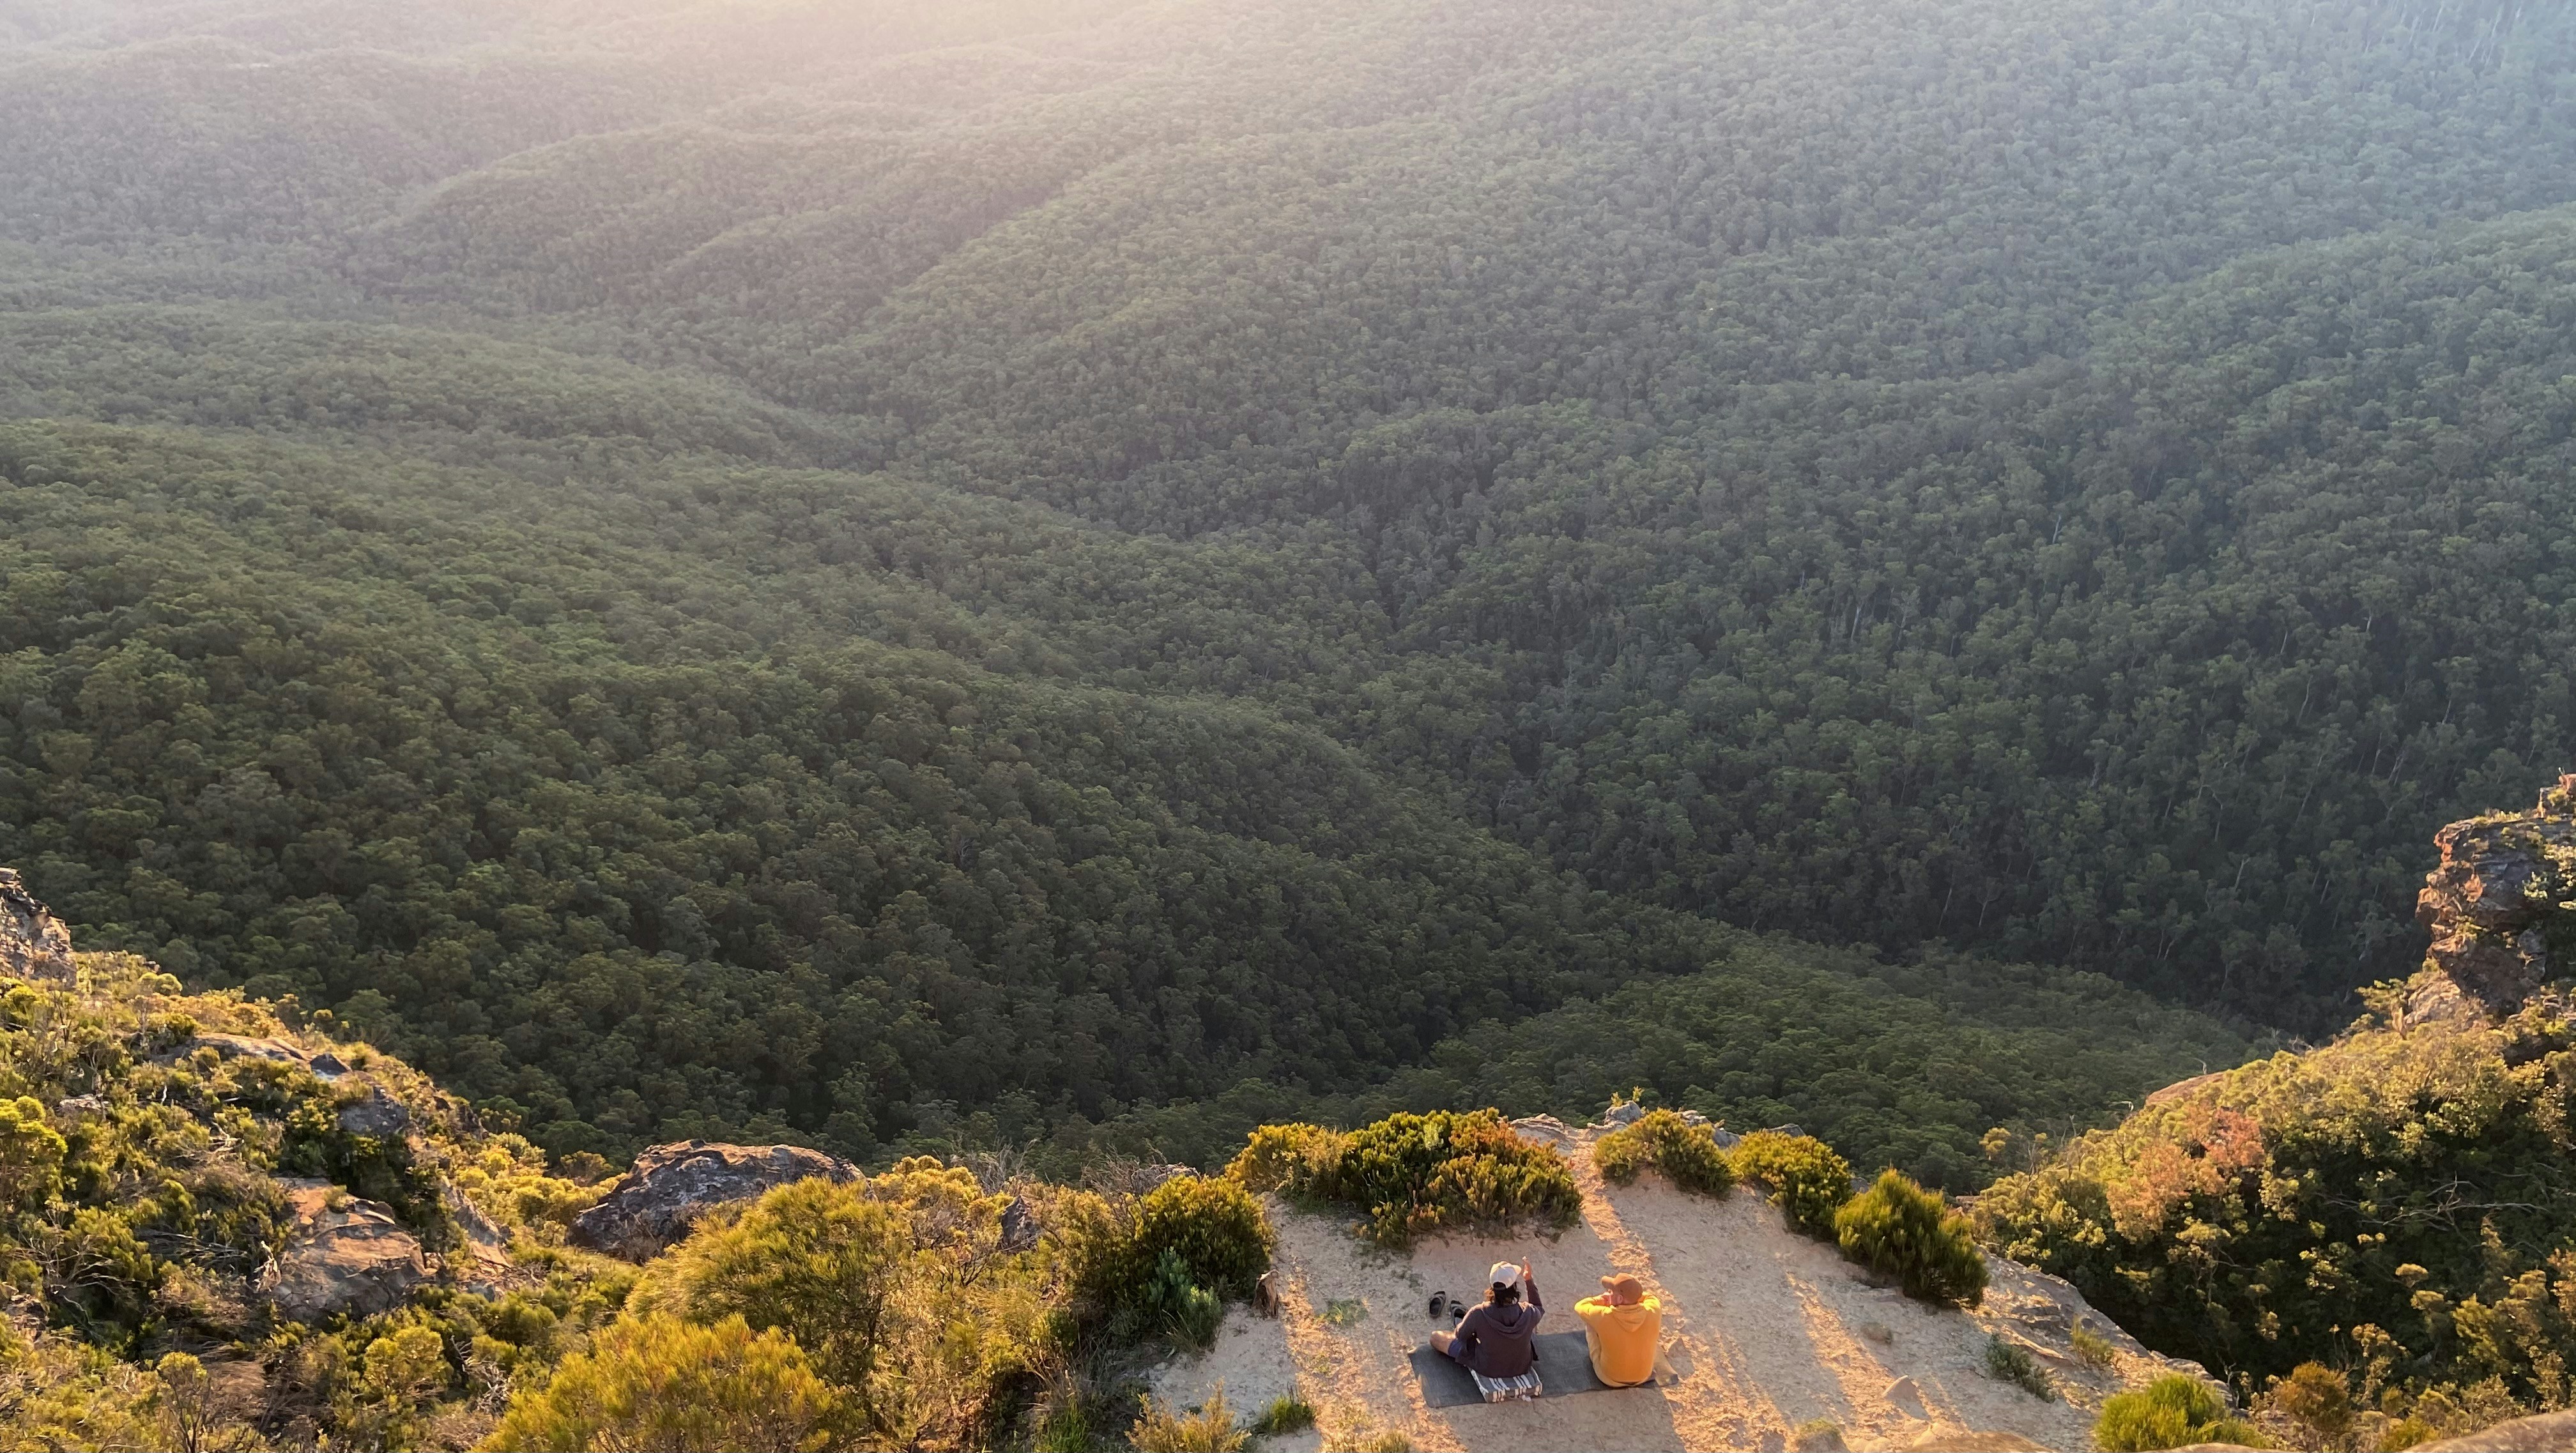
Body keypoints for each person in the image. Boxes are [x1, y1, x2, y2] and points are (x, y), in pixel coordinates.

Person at [1431, 1260, 1545, 1397]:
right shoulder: (1529, 1312)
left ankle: (1460, 1319)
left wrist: (1473, 1328)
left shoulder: (1479, 1313)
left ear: (1492, 1288)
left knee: (1436, 1337)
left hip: (1487, 1367)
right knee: (1530, 1328)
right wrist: (1529, 1280)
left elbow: (1461, 1336)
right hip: (1521, 1367)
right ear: (1514, 1287)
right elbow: (1539, 1307)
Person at [1574, 1272, 1662, 1387]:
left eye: (1611, 1291)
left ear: (1620, 1298)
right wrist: (1631, 1295)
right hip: (1643, 1376)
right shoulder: (1654, 1309)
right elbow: (1649, 1296)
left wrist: (1602, 1300)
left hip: (1610, 1378)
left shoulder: (1603, 1316)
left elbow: (1580, 1306)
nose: (1609, 1293)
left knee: (1590, 1323)